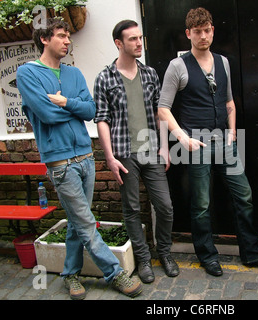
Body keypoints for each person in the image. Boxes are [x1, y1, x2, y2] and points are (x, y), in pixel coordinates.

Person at [16, 18, 142, 300]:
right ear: (45, 39)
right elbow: (46, 116)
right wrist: (68, 108)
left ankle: (70, 275)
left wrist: (64, 102)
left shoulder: (73, 74)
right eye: (61, 36)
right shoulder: (27, 74)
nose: (67, 41)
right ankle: (114, 272)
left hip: (85, 155)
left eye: (69, 37)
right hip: (59, 162)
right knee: (85, 220)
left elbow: (89, 111)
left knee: (76, 221)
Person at [158, 7, 258, 276]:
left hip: (225, 142)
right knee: (201, 204)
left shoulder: (223, 62)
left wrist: (233, 132)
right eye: (198, 31)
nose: (203, 36)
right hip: (196, 144)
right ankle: (207, 255)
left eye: (208, 30)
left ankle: (252, 254)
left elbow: (229, 102)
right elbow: (163, 108)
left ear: (213, 30)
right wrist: (182, 137)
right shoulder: (178, 66)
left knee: (244, 195)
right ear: (188, 34)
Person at [94, 20, 179, 284]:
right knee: (131, 208)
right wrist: (109, 157)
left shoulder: (150, 74)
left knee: (165, 206)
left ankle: (163, 252)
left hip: (151, 150)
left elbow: (160, 112)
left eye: (140, 37)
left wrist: (165, 147)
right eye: (132, 39)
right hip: (124, 153)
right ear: (119, 43)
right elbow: (102, 119)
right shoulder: (105, 77)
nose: (139, 42)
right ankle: (143, 259)